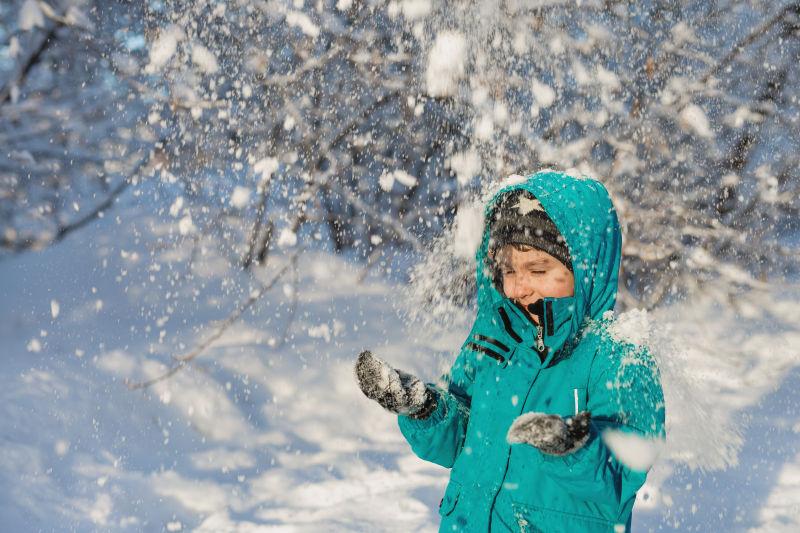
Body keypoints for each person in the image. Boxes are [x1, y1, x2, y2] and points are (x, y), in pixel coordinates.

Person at [355, 170, 666, 532]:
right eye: (508, 270)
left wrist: (572, 446)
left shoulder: (618, 356)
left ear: (585, 269)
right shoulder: (493, 342)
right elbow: (462, 440)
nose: (518, 288)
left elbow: (623, 473)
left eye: (537, 269)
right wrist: (423, 408)